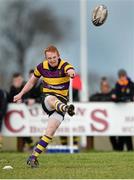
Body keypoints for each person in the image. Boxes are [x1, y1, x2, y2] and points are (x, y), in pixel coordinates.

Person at [13, 45, 75, 168]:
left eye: (54, 57)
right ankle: (65, 109)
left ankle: (33, 157)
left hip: (61, 101)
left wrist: (71, 73)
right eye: (49, 58)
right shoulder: (41, 67)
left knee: (50, 132)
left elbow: (70, 70)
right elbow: (31, 82)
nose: (52, 60)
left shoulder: (64, 65)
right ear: (46, 58)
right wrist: (21, 93)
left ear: (58, 56)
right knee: (52, 99)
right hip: (48, 100)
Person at [89, 77, 119, 150]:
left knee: (115, 136)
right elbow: (91, 99)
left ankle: (118, 149)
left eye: (106, 86)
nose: (105, 88)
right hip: (101, 121)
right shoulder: (97, 95)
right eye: (104, 86)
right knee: (111, 136)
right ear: (101, 87)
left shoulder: (113, 94)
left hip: (113, 119)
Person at [8, 73, 34, 151]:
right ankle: (29, 146)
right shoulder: (12, 88)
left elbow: (29, 97)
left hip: (28, 113)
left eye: (19, 80)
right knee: (21, 131)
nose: (18, 82)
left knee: (26, 130)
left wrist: (23, 100)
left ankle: (31, 145)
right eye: (16, 80)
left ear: (22, 80)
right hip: (17, 115)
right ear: (13, 81)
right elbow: (10, 99)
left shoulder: (26, 86)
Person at [112, 69, 134, 151]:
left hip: (129, 113)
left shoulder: (131, 84)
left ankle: (130, 149)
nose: (122, 78)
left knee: (127, 132)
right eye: (120, 76)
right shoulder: (117, 84)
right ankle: (119, 150)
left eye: (123, 76)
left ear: (126, 75)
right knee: (121, 131)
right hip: (120, 112)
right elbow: (115, 97)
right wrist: (116, 98)